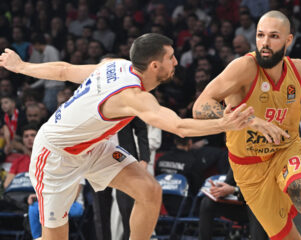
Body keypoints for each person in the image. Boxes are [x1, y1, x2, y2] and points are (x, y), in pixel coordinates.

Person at [0, 33, 257, 240]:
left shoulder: (116, 65)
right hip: (56, 155)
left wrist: (22, 66)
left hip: (95, 146)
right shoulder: (132, 96)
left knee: (150, 191)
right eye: (171, 58)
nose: (177, 63)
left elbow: (64, 70)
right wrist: (225, 124)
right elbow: (180, 127)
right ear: (155, 65)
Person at [193, 11, 301, 240]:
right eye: (260, 35)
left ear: (288, 40)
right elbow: (200, 106)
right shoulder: (243, 67)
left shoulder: (300, 70)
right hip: (248, 167)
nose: (264, 42)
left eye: (273, 36)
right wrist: (251, 121)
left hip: (285, 150)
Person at [199, 168, 269, 240]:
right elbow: (229, 183)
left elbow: (261, 190)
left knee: (255, 206)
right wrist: (219, 190)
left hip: (262, 206)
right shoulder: (237, 160)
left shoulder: (263, 162)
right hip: (241, 207)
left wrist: (235, 190)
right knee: (207, 202)